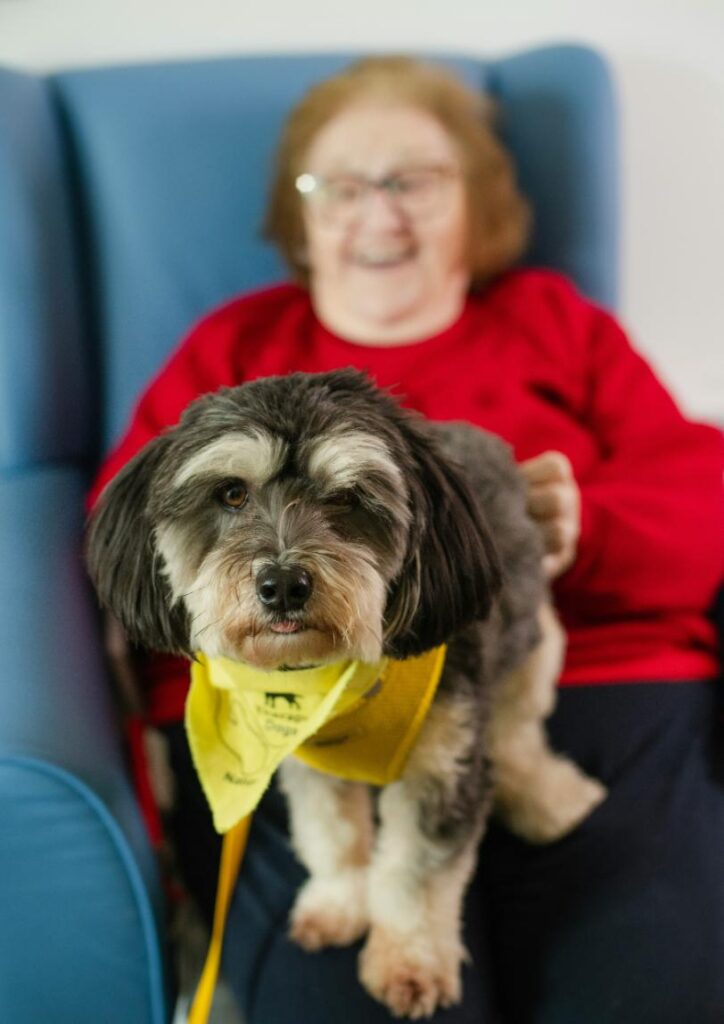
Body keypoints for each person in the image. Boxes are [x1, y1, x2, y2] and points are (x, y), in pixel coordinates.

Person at [89, 56, 724, 1023]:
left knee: (654, 990)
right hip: (295, 718)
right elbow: (130, 546)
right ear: (300, 217)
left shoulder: (557, 325)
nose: (379, 215)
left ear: (480, 206)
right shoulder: (233, 351)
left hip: (604, 692)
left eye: (415, 182)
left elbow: (701, 504)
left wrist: (587, 529)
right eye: (341, 187)